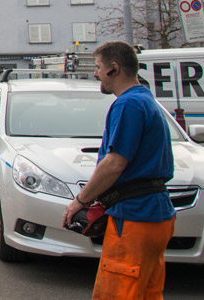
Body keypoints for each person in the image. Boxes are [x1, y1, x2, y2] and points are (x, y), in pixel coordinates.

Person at [61, 41, 176, 300]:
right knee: (147, 293)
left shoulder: (128, 105)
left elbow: (115, 163)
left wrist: (80, 201)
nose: (95, 73)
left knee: (117, 293)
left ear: (114, 68)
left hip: (134, 217)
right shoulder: (145, 99)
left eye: (99, 67)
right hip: (155, 215)